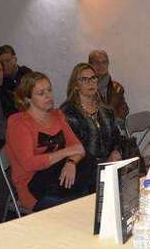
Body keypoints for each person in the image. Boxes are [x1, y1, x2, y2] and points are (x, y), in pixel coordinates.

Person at [5, 71, 90, 212]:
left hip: (58, 178)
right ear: (27, 98)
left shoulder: (57, 115)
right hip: (33, 187)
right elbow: (29, 163)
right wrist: (65, 153)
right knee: (80, 206)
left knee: (90, 167)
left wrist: (71, 162)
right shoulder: (18, 123)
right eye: (41, 93)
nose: (48, 96)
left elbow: (78, 148)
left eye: (49, 90)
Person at [61, 63, 123, 165]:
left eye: (93, 78)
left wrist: (116, 151)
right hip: (83, 168)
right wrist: (105, 161)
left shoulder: (106, 110)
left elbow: (117, 138)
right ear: (76, 85)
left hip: (111, 165)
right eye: (84, 79)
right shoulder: (68, 112)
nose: (90, 83)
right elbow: (73, 149)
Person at [88, 49, 129, 119]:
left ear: (108, 64)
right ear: (90, 65)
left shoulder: (117, 88)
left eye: (104, 62)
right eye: (97, 63)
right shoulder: (84, 87)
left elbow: (123, 111)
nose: (101, 65)